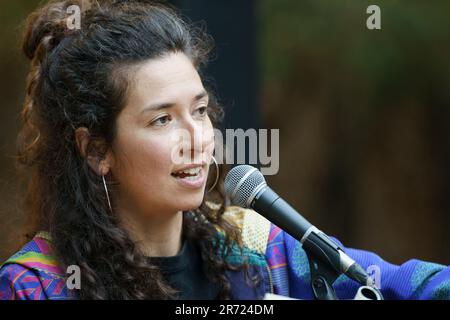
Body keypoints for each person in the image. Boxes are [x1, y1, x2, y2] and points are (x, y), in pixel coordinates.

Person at [0, 0, 448, 300]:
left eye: (199, 111)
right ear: (97, 149)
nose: (196, 138)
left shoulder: (255, 248)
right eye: (162, 120)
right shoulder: (38, 284)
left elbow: (401, 284)